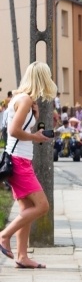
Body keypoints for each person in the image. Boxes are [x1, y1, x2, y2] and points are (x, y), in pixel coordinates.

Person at [0, 61, 57, 269]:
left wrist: (35, 123)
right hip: (19, 161)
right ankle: (4, 235)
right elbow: (14, 131)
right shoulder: (24, 100)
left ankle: (22, 256)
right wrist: (35, 137)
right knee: (42, 206)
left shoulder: (23, 99)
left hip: (19, 159)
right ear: (42, 79)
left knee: (27, 208)